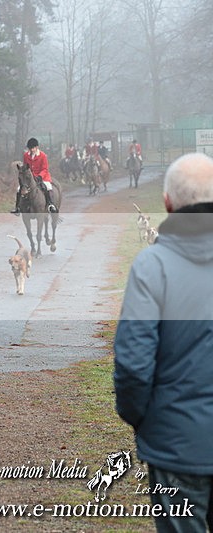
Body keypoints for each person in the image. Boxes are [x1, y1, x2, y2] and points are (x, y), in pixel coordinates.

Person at [114, 152, 213, 533]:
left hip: (177, 446)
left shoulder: (151, 266)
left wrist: (147, 422)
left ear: (168, 203)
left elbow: (133, 366)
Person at [12, 137, 57, 215]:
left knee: (48, 186)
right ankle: (18, 207)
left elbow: (45, 169)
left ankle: (51, 205)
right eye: (30, 148)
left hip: (42, 176)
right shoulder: (26, 155)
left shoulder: (43, 156)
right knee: (19, 188)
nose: (31, 150)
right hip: (30, 177)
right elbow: (26, 168)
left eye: (33, 148)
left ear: (37, 147)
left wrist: (40, 176)